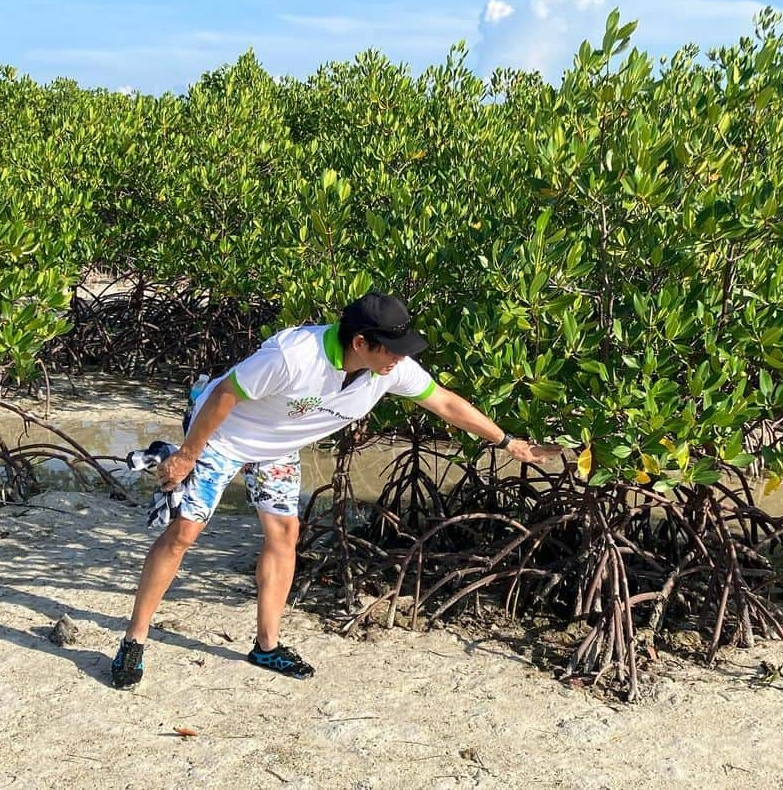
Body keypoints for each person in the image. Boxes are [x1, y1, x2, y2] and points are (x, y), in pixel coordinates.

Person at [111, 292, 558, 688]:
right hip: (221, 434)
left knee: (284, 534)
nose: (400, 360)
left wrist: (507, 442)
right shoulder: (293, 356)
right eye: (393, 350)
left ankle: (266, 646)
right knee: (185, 532)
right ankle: (135, 639)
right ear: (361, 343)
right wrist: (188, 454)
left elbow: (443, 401)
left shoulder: (388, 370)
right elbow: (225, 394)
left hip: (277, 446)